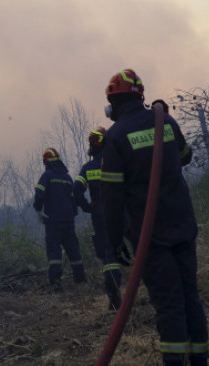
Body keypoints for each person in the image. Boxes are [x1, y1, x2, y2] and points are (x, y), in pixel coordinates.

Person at [100, 69, 209, 366]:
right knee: (190, 297)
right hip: (183, 226)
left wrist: (114, 239)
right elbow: (185, 156)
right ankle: (200, 361)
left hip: (152, 238)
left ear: (114, 103)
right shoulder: (166, 121)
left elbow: (111, 198)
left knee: (169, 304)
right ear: (141, 97)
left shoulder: (116, 137)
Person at [74, 126, 123, 309]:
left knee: (108, 254)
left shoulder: (87, 169)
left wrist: (87, 206)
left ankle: (114, 292)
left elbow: (76, 190)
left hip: (101, 215)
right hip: (123, 211)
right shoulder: (117, 161)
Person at [33, 146, 86, 291]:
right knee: (73, 250)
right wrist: (72, 214)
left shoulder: (47, 176)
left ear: (47, 162)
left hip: (53, 221)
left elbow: (39, 193)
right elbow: (73, 199)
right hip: (68, 221)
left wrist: (38, 209)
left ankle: (56, 283)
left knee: (54, 251)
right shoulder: (67, 177)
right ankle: (80, 280)